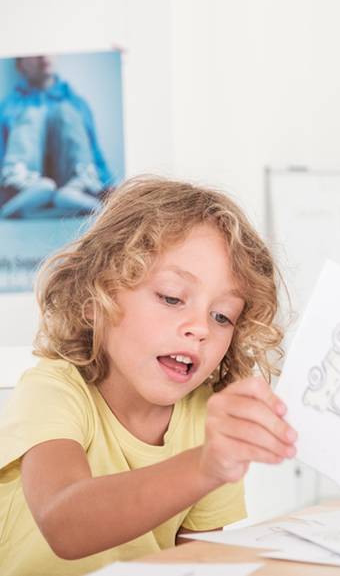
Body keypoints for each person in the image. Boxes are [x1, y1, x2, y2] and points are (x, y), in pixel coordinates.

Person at [0, 177, 297, 576]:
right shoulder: (54, 390)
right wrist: (205, 467)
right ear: (95, 301)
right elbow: (63, 523)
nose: (200, 328)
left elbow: (199, 565)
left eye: (222, 315)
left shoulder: (206, 420)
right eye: (172, 297)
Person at [0, 55, 113, 219]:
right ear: (20, 65)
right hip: (28, 188)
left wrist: (108, 184)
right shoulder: (9, 106)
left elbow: (93, 150)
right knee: (31, 113)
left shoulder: (76, 103)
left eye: (47, 50)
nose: (43, 55)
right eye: (34, 51)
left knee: (66, 111)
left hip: (69, 184)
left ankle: (81, 187)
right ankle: (19, 188)